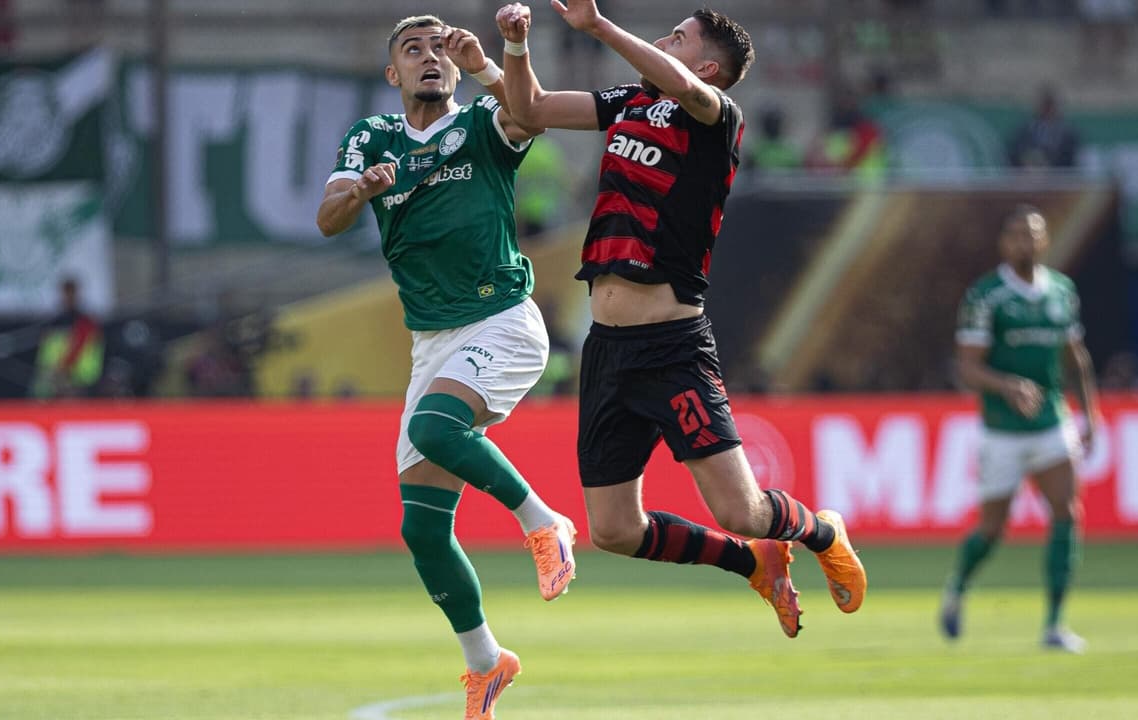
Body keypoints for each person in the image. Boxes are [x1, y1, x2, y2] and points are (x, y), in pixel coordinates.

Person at [495, 1, 867, 640]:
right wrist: (512, 49)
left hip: (672, 345)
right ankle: (752, 564)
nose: (665, 39)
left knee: (744, 509)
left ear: (710, 64)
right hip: (608, 348)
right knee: (613, 529)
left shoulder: (716, 115)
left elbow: (686, 88)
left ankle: (821, 532)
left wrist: (598, 26)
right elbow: (530, 111)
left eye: (679, 37)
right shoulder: (631, 101)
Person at [314, 16, 575, 720]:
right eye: (412, 50)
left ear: (453, 71)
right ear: (394, 74)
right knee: (422, 530)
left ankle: (544, 522)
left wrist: (499, 59)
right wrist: (362, 190)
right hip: (432, 340)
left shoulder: (483, 122)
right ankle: (487, 662)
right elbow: (329, 218)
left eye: (439, 50)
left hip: (501, 318)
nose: (429, 59)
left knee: (434, 429)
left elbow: (532, 114)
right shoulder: (372, 138)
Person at [943, 205, 1101, 653]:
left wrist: (1090, 411)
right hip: (1002, 429)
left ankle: (1054, 623)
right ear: (1003, 243)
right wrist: (1007, 385)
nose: (1024, 242)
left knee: (1067, 512)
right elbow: (967, 368)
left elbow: (1076, 356)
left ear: (1045, 241)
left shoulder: (1061, 291)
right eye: (1015, 235)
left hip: (1053, 421)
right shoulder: (986, 295)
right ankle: (958, 587)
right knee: (992, 530)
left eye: (1032, 234)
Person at [31, 278, 103, 399]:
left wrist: (61, 369)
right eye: (65, 293)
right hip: (53, 379)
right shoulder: (54, 321)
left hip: (79, 379)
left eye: (71, 293)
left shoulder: (85, 322)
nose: (67, 297)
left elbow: (79, 347)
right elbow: (46, 352)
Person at [1009, 87, 1079, 169]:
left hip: (1057, 172)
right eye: (1045, 106)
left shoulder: (1067, 132)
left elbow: (1070, 156)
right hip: (1029, 172)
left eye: (1050, 106)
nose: (1048, 110)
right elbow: (1017, 150)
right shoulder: (1028, 128)